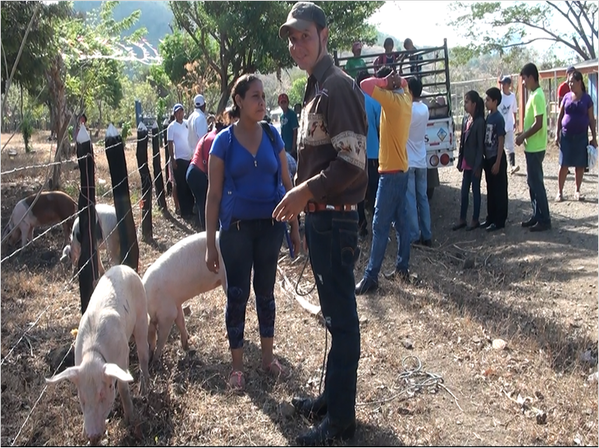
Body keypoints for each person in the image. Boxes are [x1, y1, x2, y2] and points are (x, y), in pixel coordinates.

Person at [274, 2, 368, 445]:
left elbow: (353, 164)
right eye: (292, 39)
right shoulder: (315, 88)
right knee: (333, 317)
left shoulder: (337, 88)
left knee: (343, 321)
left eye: (304, 36)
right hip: (321, 222)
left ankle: (341, 424)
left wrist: (304, 192)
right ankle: (331, 401)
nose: (297, 46)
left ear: (324, 35)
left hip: (335, 221)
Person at [205, 74, 300, 392]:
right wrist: (209, 244)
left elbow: (288, 187)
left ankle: (268, 359)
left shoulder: (274, 137)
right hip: (236, 231)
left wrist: (295, 229)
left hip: (271, 228)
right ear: (239, 101)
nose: (262, 102)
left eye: (263, 96)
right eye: (255, 96)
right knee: (237, 295)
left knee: (266, 293)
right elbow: (213, 196)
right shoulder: (224, 142)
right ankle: (236, 367)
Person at [355, 66, 413, 294]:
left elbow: (364, 85)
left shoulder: (392, 101)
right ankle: (402, 267)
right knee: (401, 223)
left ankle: (371, 276)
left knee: (379, 225)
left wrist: (385, 82)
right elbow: (406, 83)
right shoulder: (406, 98)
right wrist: (397, 82)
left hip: (390, 173)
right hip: (401, 169)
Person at [516, 62, 551, 232]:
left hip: (536, 148)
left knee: (537, 183)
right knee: (532, 182)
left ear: (530, 77)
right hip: (532, 147)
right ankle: (537, 215)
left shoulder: (537, 95)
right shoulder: (533, 94)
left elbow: (538, 124)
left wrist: (523, 136)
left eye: (524, 79)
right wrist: (522, 132)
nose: (523, 82)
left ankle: (545, 219)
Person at [555, 69, 597, 202]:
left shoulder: (587, 99)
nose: (570, 84)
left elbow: (591, 119)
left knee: (580, 165)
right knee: (564, 164)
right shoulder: (566, 97)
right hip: (566, 136)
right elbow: (560, 116)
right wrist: (557, 133)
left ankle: (577, 191)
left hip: (581, 136)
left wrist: (594, 137)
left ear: (579, 82)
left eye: (572, 82)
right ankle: (560, 192)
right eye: (569, 82)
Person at [186, 111, 231, 230]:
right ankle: (207, 232)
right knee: (204, 203)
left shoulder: (212, 135)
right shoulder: (214, 139)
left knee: (203, 202)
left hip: (196, 172)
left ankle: (205, 229)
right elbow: (210, 164)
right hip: (197, 173)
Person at [452, 91, 485, 231]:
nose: (465, 105)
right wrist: (460, 161)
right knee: (464, 191)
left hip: (475, 164)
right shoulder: (466, 120)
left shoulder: (479, 122)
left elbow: (480, 147)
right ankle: (462, 218)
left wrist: (478, 166)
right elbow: (462, 144)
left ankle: (475, 219)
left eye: (467, 102)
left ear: (474, 104)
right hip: (466, 162)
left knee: (475, 191)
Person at [405, 76, 432, 245]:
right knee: (423, 198)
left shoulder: (408, 110)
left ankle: (414, 235)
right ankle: (427, 234)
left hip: (409, 161)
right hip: (422, 159)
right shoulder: (425, 109)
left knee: (410, 199)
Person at [356, 70, 382, 238]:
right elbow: (380, 127)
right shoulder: (375, 101)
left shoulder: (352, 101)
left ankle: (361, 224)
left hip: (356, 154)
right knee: (374, 192)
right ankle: (376, 226)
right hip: (373, 153)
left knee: (358, 192)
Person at [482, 87, 508, 231]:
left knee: (499, 190)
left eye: (488, 100)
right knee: (490, 189)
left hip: (496, 158)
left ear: (495, 101)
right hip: (488, 157)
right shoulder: (489, 117)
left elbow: (500, 140)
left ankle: (500, 220)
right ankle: (490, 218)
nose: (486, 102)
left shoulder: (498, 118)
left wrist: (498, 162)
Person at [167, 104, 195, 218]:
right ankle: (184, 211)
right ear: (174, 114)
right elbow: (170, 143)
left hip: (189, 158)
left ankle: (190, 208)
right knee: (181, 185)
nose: (180, 114)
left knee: (189, 184)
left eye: (181, 112)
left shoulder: (187, 123)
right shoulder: (171, 127)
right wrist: (172, 159)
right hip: (179, 158)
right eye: (178, 112)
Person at [499, 76, 520, 174]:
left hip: (509, 124)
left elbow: (514, 110)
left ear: (508, 85)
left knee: (510, 146)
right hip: (500, 125)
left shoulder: (512, 97)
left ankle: (512, 166)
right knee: (500, 145)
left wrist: (515, 121)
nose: (503, 85)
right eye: (502, 84)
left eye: (504, 83)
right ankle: (499, 165)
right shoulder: (499, 96)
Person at [278, 93, 300, 159]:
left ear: (288, 102)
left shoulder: (292, 114)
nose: (283, 104)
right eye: (282, 102)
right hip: (284, 147)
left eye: (285, 102)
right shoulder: (281, 116)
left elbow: (295, 131)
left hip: (291, 148)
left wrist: (293, 147)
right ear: (279, 104)